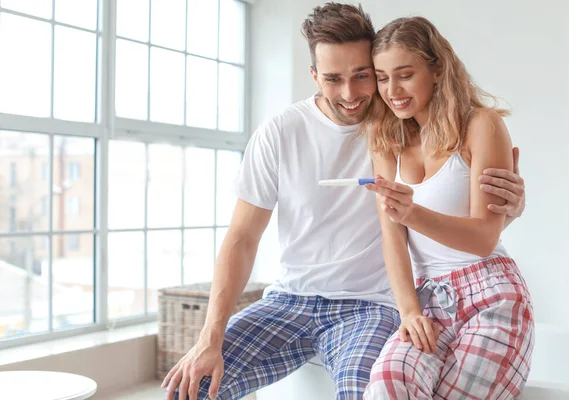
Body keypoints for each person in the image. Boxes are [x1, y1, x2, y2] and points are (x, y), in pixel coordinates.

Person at [162, 4, 526, 400]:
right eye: (333, 79)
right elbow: (242, 237)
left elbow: (450, 202)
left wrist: (509, 210)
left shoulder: (390, 129)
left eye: (362, 76)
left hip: (368, 306)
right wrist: (209, 337)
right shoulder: (282, 131)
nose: (350, 94)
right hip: (290, 300)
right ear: (314, 75)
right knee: (190, 389)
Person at [361, 16, 534, 399]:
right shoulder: (385, 141)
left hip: (491, 296)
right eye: (383, 77)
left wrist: (411, 212)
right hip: (427, 300)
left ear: (437, 68)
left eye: (404, 74)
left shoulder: (481, 125)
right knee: (388, 384)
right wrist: (409, 311)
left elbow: (483, 239)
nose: (392, 90)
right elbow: (393, 239)